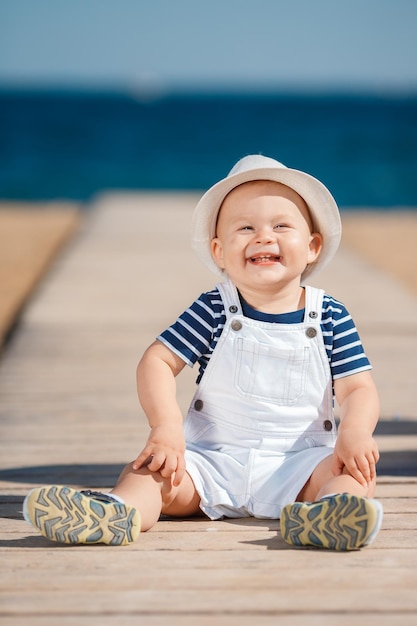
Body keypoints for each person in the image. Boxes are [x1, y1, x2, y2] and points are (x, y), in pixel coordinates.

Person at [23, 154, 383, 550]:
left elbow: (356, 389)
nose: (263, 236)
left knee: (353, 473)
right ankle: (117, 512)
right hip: (210, 461)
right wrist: (166, 427)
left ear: (313, 246)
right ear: (219, 252)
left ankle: (329, 513)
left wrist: (355, 431)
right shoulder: (214, 307)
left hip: (298, 465)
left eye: (281, 226)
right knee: (150, 473)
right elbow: (157, 360)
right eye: (245, 228)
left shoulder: (329, 314)